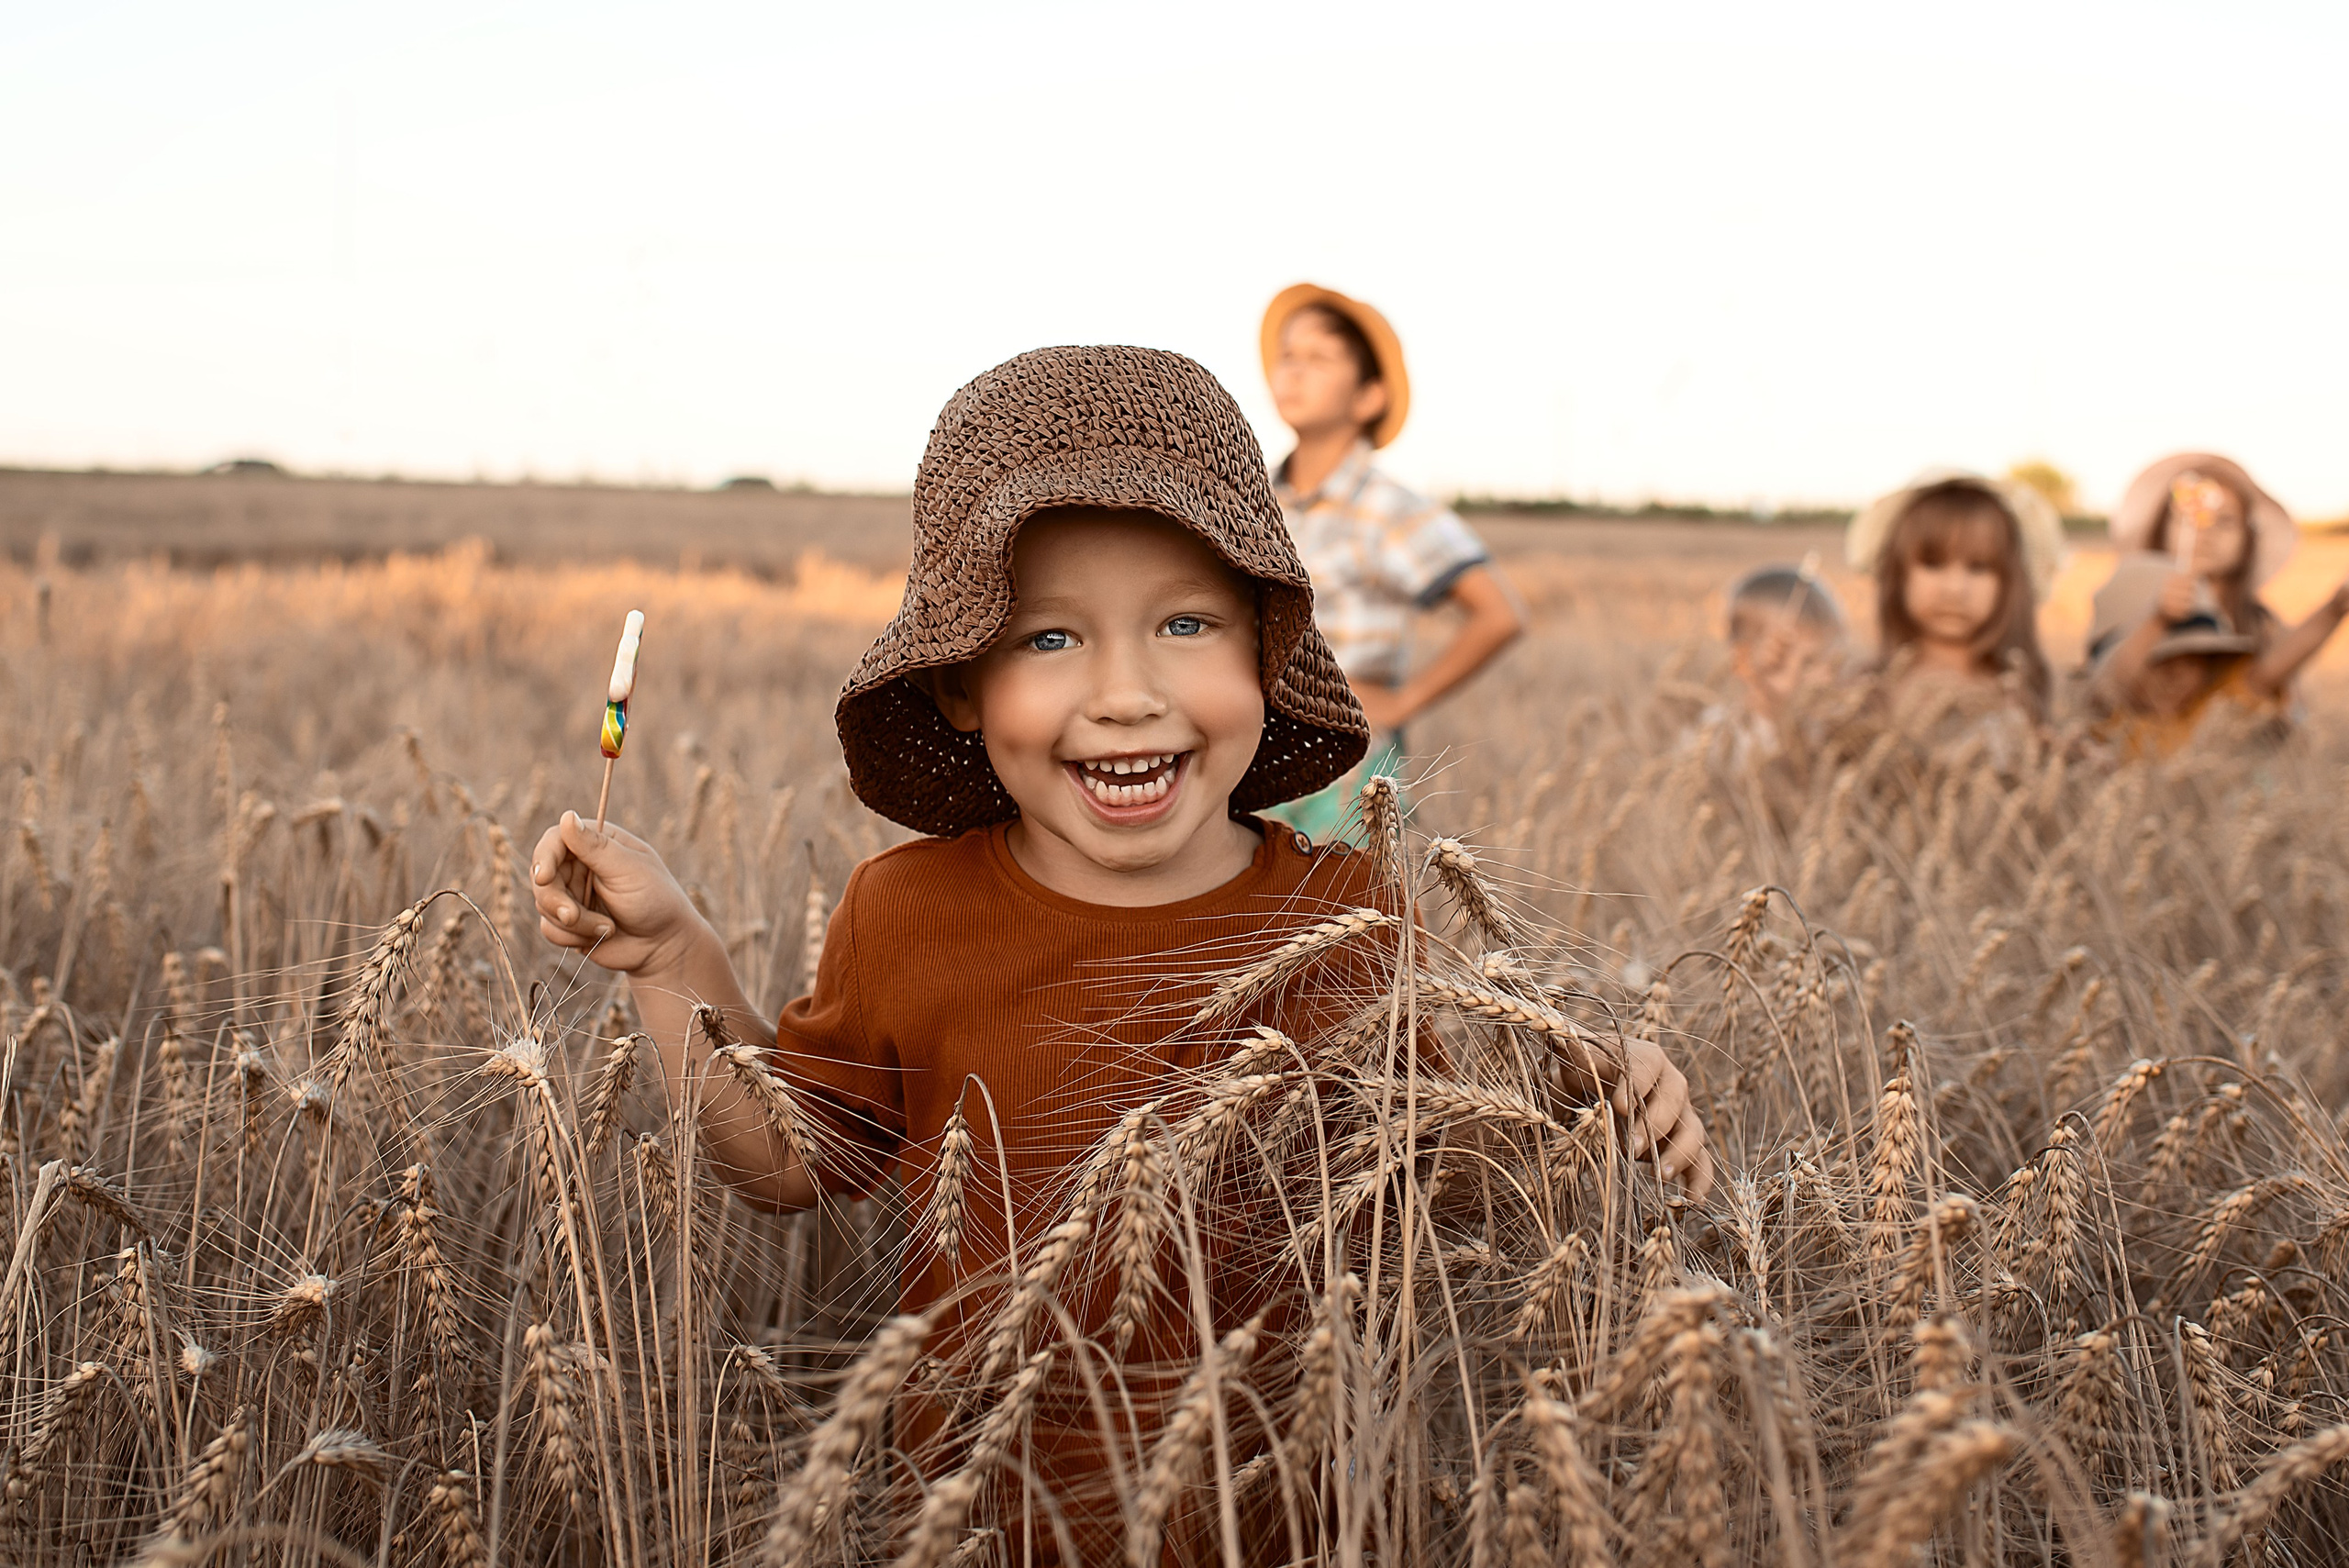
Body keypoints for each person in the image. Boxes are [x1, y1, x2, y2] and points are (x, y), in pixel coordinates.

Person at [529, 346, 1708, 1562]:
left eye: (1186, 623)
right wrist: (673, 958)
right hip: (991, 1524)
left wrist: (1576, 1099)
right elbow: (785, 1155)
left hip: (1304, 1526)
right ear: (958, 687)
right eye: (1050, 640)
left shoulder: (1349, 913)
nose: (1128, 693)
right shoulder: (908, 912)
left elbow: (1430, 1192)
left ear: (1265, 647)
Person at [1259, 284, 1523, 842]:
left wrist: (1403, 701)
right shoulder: (1255, 502)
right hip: (1257, 760)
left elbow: (1498, 614)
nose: (1294, 372)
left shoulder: (1388, 508)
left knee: (1354, 918)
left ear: (1368, 398)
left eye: (1319, 359)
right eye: (1288, 356)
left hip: (1350, 775)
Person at [2089, 453, 2349, 751]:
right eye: (2188, 518)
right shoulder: (2129, 595)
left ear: (2248, 538)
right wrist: (2158, 620)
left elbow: (2269, 673)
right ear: (2162, 525)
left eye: (2224, 522)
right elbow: (2106, 689)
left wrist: (2335, 608)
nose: (2204, 530)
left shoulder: (2261, 626)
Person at [1845, 471, 2062, 757]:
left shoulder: (2019, 690)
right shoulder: (1869, 690)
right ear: (1898, 574)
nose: (1955, 589)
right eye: (1933, 564)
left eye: (1979, 567)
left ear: (2010, 582)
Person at [1698, 561, 1849, 766]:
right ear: (1743, 663)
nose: (1827, 677)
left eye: (1834, 664)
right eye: (1808, 663)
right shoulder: (1715, 740)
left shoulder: (1829, 735)